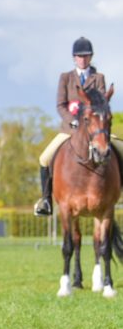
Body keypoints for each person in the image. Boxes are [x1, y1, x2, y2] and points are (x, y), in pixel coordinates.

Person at [34, 36, 122, 215]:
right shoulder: (65, 78)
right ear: (74, 57)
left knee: (121, 150)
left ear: (90, 57)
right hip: (70, 130)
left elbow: (101, 104)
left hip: (96, 129)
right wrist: (73, 121)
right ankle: (46, 200)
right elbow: (60, 105)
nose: (83, 59)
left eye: (86, 56)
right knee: (44, 158)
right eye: (80, 56)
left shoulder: (98, 78)